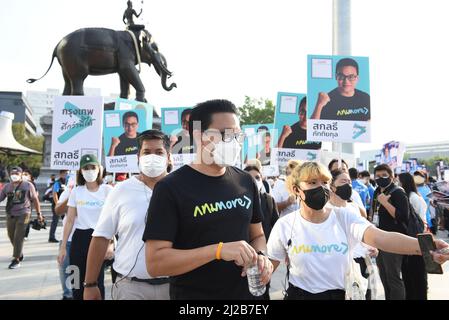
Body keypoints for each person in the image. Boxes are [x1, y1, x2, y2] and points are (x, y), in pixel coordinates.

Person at [143, 99, 273, 300]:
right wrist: (218, 251)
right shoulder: (170, 188)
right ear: (198, 135)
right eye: (223, 134)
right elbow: (155, 263)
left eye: (236, 135)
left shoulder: (245, 181)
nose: (232, 141)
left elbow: (257, 235)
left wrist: (261, 256)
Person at [267, 162, 445, 300]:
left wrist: (425, 246)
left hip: (340, 295)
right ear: (297, 189)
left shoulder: (344, 217)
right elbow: (269, 266)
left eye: (325, 182)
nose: (321, 187)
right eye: (312, 182)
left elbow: (381, 238)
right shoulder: (285, 225)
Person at [84, 130, 172, 300]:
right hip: (130, 287)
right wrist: (90, 284)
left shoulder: (181, 189)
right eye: (147, 152)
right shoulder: (121, 191)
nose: (152, 157)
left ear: (168, 157)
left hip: (174, 286)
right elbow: (101, 237)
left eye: (159, 152)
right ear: (138, 157)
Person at [57, 154, 113, 300]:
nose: (89, 171)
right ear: (80, 171)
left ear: (99, 169)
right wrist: (63, 247)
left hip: (99, 238)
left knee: (95, 280)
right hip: (79, 238)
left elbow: (112, 219)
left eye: (93, 167)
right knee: (76, 279)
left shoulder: (107, 190)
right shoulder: (76, 191)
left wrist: (111, 244)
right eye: (86, 168)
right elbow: (69, 221)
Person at [327, 169, 378, 299]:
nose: (348, 185)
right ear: (332, 186)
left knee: (364, 294)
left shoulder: (353, 207)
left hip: (360, 260)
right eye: (343, 181)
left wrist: (370, 245)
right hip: (338, 265)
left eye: (349, 182)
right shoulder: (325, 210)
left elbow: (363, 230)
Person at [371, 164, 411, 300]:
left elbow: (403, 217)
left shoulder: (397, 192)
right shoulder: (377, 191)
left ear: (392, 176)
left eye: (384, 175)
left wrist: (386, 203)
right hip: (379, 239)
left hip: (394, 240)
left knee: (393, 278)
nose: (380, 178)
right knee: (384, 277)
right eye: (377, 176)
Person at [244, 165, 278, 300]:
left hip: (264, 258)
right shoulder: (240, 201)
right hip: (244, 262)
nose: (254, 180)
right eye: (250, 178)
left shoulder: (268, 200)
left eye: (257, 177)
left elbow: (276, 229)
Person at [0, 167, 43, 269]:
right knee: (11, 235)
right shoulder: (7, 187)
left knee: (18, 236)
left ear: (21, 174)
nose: (14, 175)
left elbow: (35, 199)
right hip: (10, 213)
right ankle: (19, 253)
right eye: (12, 173)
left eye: (16, 173)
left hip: (24, 213)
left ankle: (16, 259)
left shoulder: (28, 185)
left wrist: (39, 213)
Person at [397, 172, 428, 300]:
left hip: (416, 239)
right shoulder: (412, 195)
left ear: (404, 182)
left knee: (416, 275)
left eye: (398, 181)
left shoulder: (412, 197)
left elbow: (417, 221)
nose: (397, 184)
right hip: (414, 239)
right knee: (411, 276)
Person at [54, 183, 75, 300]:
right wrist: (71, 196)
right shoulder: (69, 191)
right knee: (66, 269)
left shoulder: (102, 189)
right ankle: (68, 295)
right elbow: (58, 211)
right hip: (68, 239)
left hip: (89, 239)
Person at [49, 170, 69, 243]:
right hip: (58, 205)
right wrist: (58, 204)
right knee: (55, 221)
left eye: (67, 173)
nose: (66, 175)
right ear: (61, 174)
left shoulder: (69, 182)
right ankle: (51, 237)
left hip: (66, 205)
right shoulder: (57, 183)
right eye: (65, 173)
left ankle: (66, 237)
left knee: (66, 221)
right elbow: (55, 194)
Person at [22, 169, 38, 240]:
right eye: (23, 174)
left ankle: (25, 235)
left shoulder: (32, 184)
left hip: (28, 204)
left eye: (26, 174)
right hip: (20, 205)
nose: (24, 176)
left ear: (30, 175)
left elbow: (36, 194)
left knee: (27, 220)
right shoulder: (20, 183)